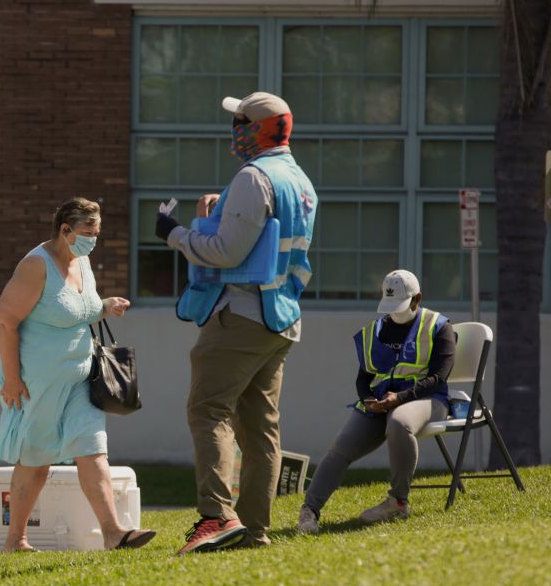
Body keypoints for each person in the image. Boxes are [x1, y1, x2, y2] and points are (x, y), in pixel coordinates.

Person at [156, 91, 318, 555]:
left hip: (241, 316)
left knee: (208, 411)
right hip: (280, 317)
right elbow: (259, 242)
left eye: (239, 121)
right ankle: (254, 531)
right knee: (260, 428)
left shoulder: (253, 176)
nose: (233, 130)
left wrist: (176, 234)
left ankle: (216, 518)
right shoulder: (300, 180)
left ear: (257, 129)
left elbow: (228, 253)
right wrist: (218, 214)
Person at [0, 198, 156, 552]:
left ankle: (113, 532)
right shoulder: (36, 266)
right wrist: (12, 379)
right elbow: (5, 320)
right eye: (87, 233)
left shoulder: (82, 261)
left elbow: (78, 309)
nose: (92, 240)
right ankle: (15, 539)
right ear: (65, 230)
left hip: (82, 376)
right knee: (36, 458)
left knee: (93, 448)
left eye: (96, 233)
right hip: (36, 379)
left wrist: (105, 306)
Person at [298, 271, 454, 532]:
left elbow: (439, 377)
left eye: (402, 306)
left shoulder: (438, 326)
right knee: (342, 446)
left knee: (399, 422)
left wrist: (400, 398)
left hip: (428, 401)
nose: (396, 313)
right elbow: (363, 378)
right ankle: (309, 510)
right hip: (383, 401)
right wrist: (367, 399)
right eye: (391, 307)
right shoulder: (379, 329)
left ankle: (398, 502)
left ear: (418, 299)